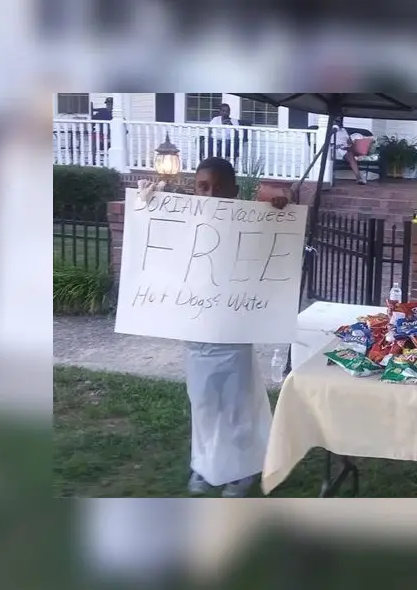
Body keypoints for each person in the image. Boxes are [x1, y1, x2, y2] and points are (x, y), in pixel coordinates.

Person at [185, 157, 288, 497]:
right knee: (203, 401)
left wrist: (277, 213)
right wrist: (147, 199)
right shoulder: (183, 220)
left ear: (233, 190)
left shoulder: (247, 223)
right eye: (203, 187)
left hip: (233, 328)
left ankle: (243, 468)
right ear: (194, 189)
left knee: (236, 402)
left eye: (218, 188)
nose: (210, 194)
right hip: (196, 328)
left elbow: (275, 250)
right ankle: (205, 463)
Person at [331, 117, 366, 184]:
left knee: (351, 155)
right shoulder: (330, 130)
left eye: (340, 121)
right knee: (350, 155)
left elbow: (350, 142)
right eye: (336, 121)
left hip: (345, 149)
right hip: (334, 150)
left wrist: (348, 146)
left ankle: (359, 178)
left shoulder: (343, 130)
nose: (338, 122)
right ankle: (359, 177)